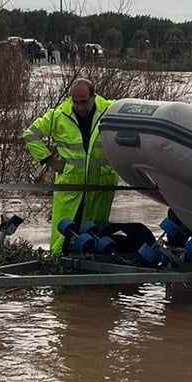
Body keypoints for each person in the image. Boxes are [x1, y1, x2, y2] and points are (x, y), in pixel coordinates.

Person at [24, 78, 119, 254]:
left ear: (93, 96)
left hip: (100, 185)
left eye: (84, 102)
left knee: (95, 231)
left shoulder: (111, 110)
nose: (80, 107)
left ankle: (92, 265)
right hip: (70, 185)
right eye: (76, 102)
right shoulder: (58, 116)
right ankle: (58, 265)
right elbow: (30, 135)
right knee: (64, 231)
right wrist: (50, 161)